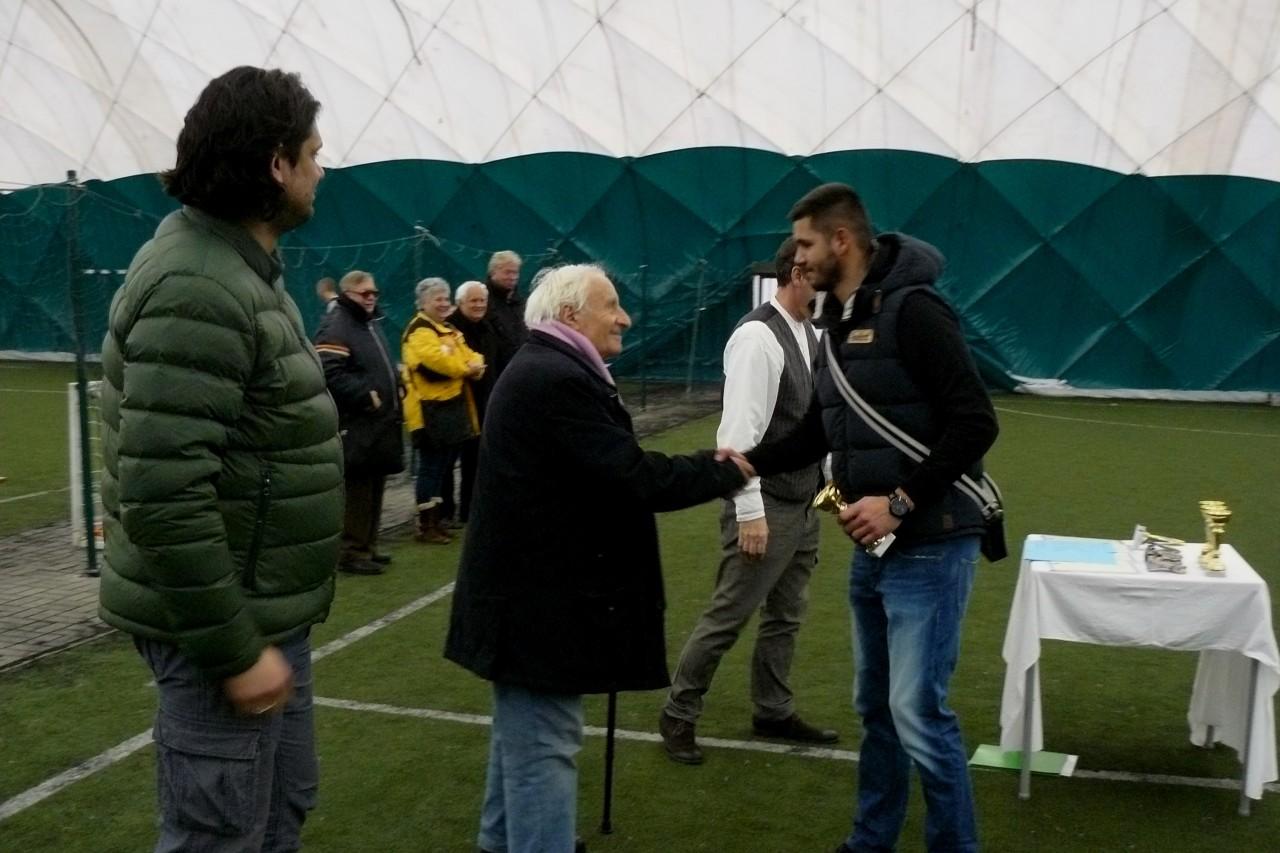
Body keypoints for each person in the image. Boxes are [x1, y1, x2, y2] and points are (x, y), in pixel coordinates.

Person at [97, 66, 340, 852]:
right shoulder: (197, 286)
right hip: (220, 627)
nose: (321, 170)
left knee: (277, 811)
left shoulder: (239, 271)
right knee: (218, 833)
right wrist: (234, 650)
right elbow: (163, 495)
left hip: (261, 613)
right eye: (313, 153)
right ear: (276, 164)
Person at [444, 264, 754, 853]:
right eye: (610, 305)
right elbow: (629, 475)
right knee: (542, 747)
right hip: (536, 606)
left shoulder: (549, 368)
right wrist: (719, 470)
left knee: (523, 742)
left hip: (528, 600)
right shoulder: (555, 378)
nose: (625, 318)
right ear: (569, 315)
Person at [747, 183, 999, 853]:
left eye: (805, 244)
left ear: (841, 240)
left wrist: (899, 502)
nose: (796, 258)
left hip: (932, 542)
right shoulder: (834, 321)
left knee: (917, 712)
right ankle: (870, 840)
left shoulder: (916, 311)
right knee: (878, 709)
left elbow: (976, 422)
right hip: (874, 551)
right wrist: (744, 462)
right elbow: (816, 430)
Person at [659, 236, 837, 765]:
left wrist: (828, 486)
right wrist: (751, 513)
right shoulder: (758, 337)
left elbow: (813, 425)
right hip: (769, 506)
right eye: (823, 275)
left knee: (787, 615)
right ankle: (679, 712)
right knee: (729, 614)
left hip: (802, 504)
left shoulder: (810, 331)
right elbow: (738, 437)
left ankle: (773, 710)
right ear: (797, 273)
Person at [314, 270, 404, 574]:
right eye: (365, 293)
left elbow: (377, 363)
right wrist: (365, 394)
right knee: (358, 488)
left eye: (374, 293)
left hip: (379, 421)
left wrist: (397, 383)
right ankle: (351, 552)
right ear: (348, 294)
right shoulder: (338, 324)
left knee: (375, 482)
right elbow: (329, 370)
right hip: (357, 421)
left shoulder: (368, 322)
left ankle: (368, 545)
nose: (371, 298)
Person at [401, 277, 484, 544]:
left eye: (445, 298)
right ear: (423, 303)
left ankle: (436, 521)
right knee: (430, 468)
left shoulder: (447, 329)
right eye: (437, 299)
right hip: (429, 411)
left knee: (443, 467)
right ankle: (426, 525)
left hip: (452, 408)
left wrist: (469, 365)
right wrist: (466, 369)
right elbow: (437, 363)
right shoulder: (419, 330)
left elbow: (474, 355)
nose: (443, 303)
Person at [444, 280, 498, 524]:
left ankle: (469, 511)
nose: (479, 305)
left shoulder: (488, 327)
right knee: (446, 463)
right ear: (460, 303)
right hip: (455, 405)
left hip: (483, 402)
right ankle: (444, 513)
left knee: (475, 461)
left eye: (482, 301)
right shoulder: (450, 329)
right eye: (473, 301)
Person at [482, 249, 527, 378]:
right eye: (507, 272)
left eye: (515, 272)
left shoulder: (520, 302)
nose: (512, 277)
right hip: (494, 372)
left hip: (521, 368)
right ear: (493, 272)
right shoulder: (482, 300)